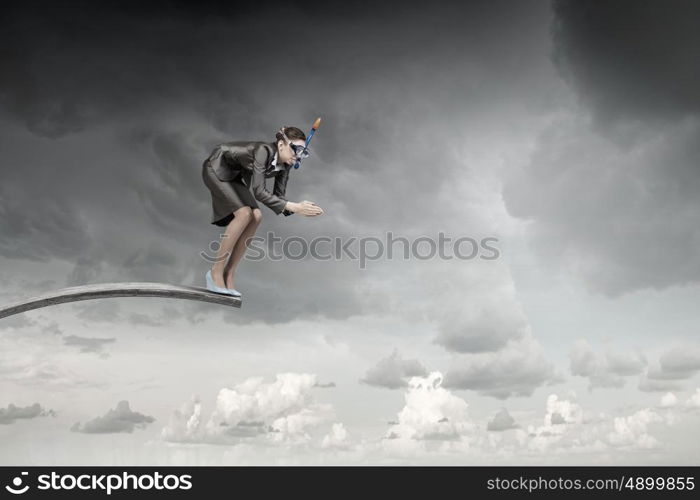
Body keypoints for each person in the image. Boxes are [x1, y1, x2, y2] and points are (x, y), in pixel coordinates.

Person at [201, 126, 323, 296]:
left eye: (303, 152)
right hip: (217, 166)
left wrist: (298, 207)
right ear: (281, 145)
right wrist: (293, 206)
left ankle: (229, 273)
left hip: (235, 175)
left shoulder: (286, 165)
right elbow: (259, 192)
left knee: (256, 216)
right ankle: (215, 271)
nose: (298, 156)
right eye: (296, 150)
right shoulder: (263, 151)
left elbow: (279, 197)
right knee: (244, 214)